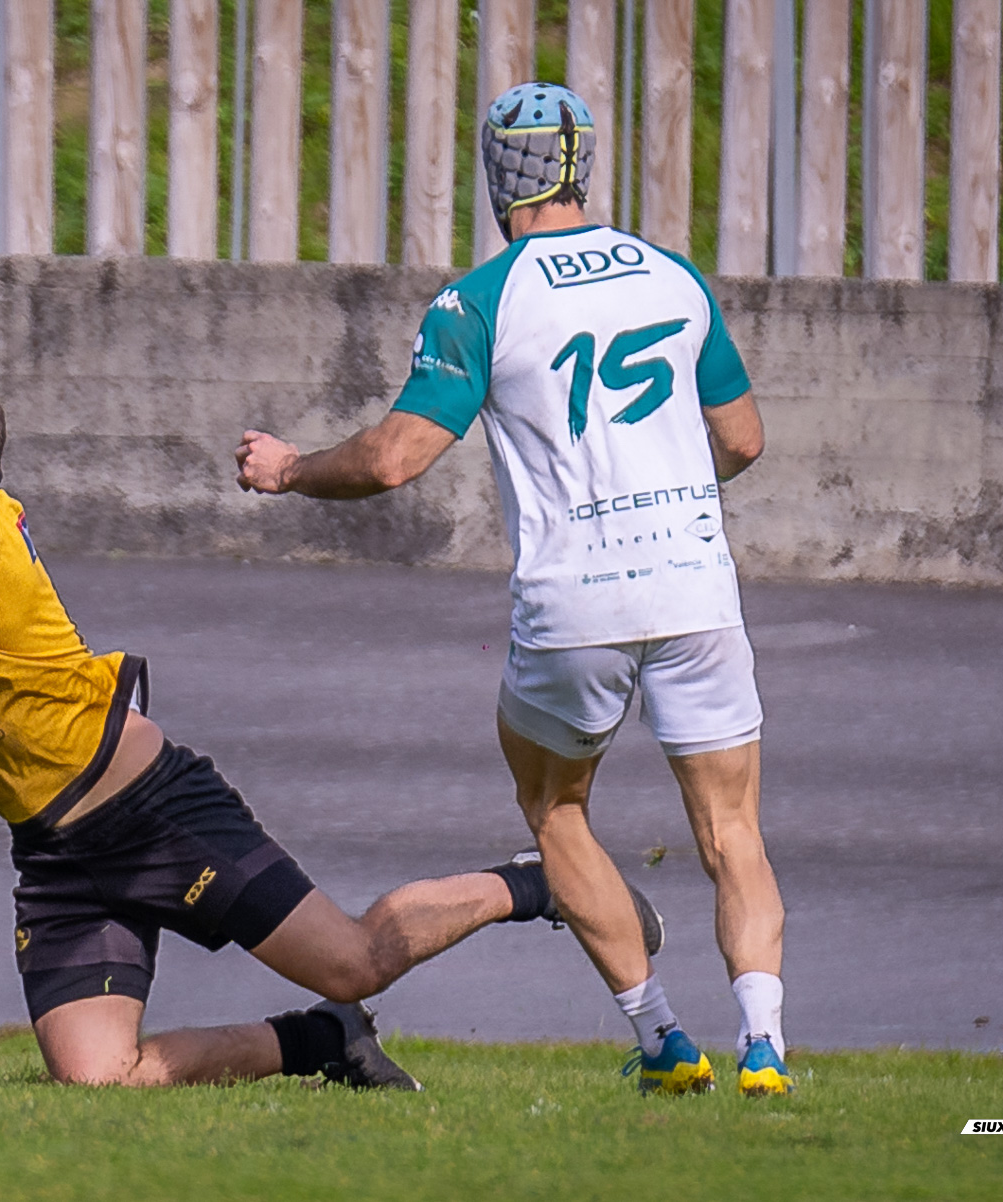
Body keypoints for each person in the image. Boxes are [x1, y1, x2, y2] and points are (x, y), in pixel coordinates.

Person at [0, 367, 660, 1090]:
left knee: (355, 957)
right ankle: (312, 1046)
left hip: (153, 813)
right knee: (100, 1077)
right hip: (57, 849)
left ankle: (536, 881)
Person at [234, 84, 790, 1097]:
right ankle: (764, 1045)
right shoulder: (673, 278)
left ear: (499, 175)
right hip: (697, 584)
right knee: (732, 828)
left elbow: (395, 458)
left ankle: (664, 1036)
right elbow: (743, 438)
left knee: (555, 806)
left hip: (576, 598)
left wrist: (286, 469)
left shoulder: (481, 299)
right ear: (584, 164)